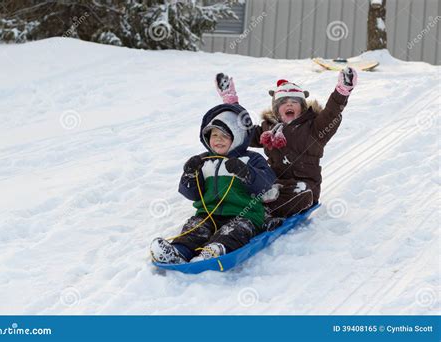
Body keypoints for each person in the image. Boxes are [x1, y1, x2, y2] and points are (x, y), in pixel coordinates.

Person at [214, 68, 358, 224]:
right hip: (271, 185)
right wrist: (231, 102)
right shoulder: (268, 130)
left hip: (301, 187)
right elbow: (243, 131)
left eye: (295, 101)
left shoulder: (315, 128)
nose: (289, 103)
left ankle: (263, 213)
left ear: (302, 108)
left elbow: (331, 113)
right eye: (283, 102)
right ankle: (236, 206)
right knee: (247, 180)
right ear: (276, 110)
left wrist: (342, 92)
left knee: (302, 194)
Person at [150, 103, 276, 264]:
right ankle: (178, 252)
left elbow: (266, 183)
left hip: (245, 215)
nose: (218, 140)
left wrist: (246, 173)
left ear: (237, 137)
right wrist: (189, 175)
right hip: (208, 214)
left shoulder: (251, 159)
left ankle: (213, 251)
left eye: (224, 135)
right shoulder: (203, 161)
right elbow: (193, 194)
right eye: (214, 135)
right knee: (195, 228)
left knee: (234, 232)